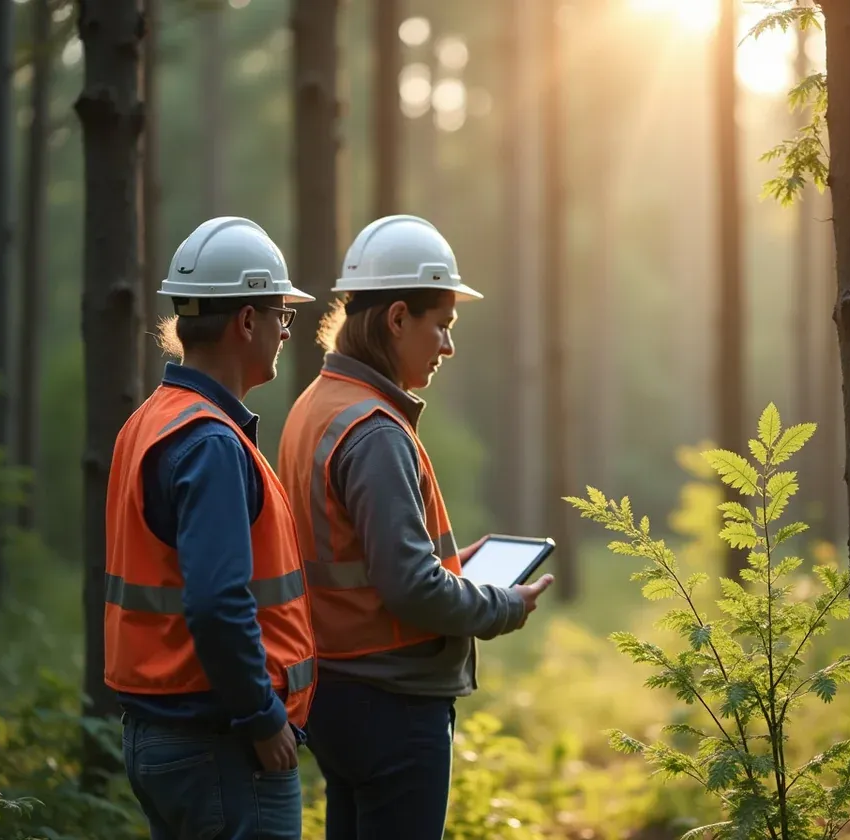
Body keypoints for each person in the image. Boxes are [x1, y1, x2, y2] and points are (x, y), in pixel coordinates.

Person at [277, 214, 554, 839]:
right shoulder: (375, 430)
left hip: (334, 691)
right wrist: (503, 605)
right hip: (392, 706)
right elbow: (410, 587)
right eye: (442, 325)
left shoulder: (314, 406)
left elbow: (360, 556)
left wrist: (454, 567)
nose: (448, 346)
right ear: (398, 318)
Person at [105, 216, 319, 840]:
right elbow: (218, 603)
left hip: (162, 735)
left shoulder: (150, 421)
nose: (286, 330)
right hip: (221, 745)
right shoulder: (211, 443)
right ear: (247, 321)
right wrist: (261, 716)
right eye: (282, 314)